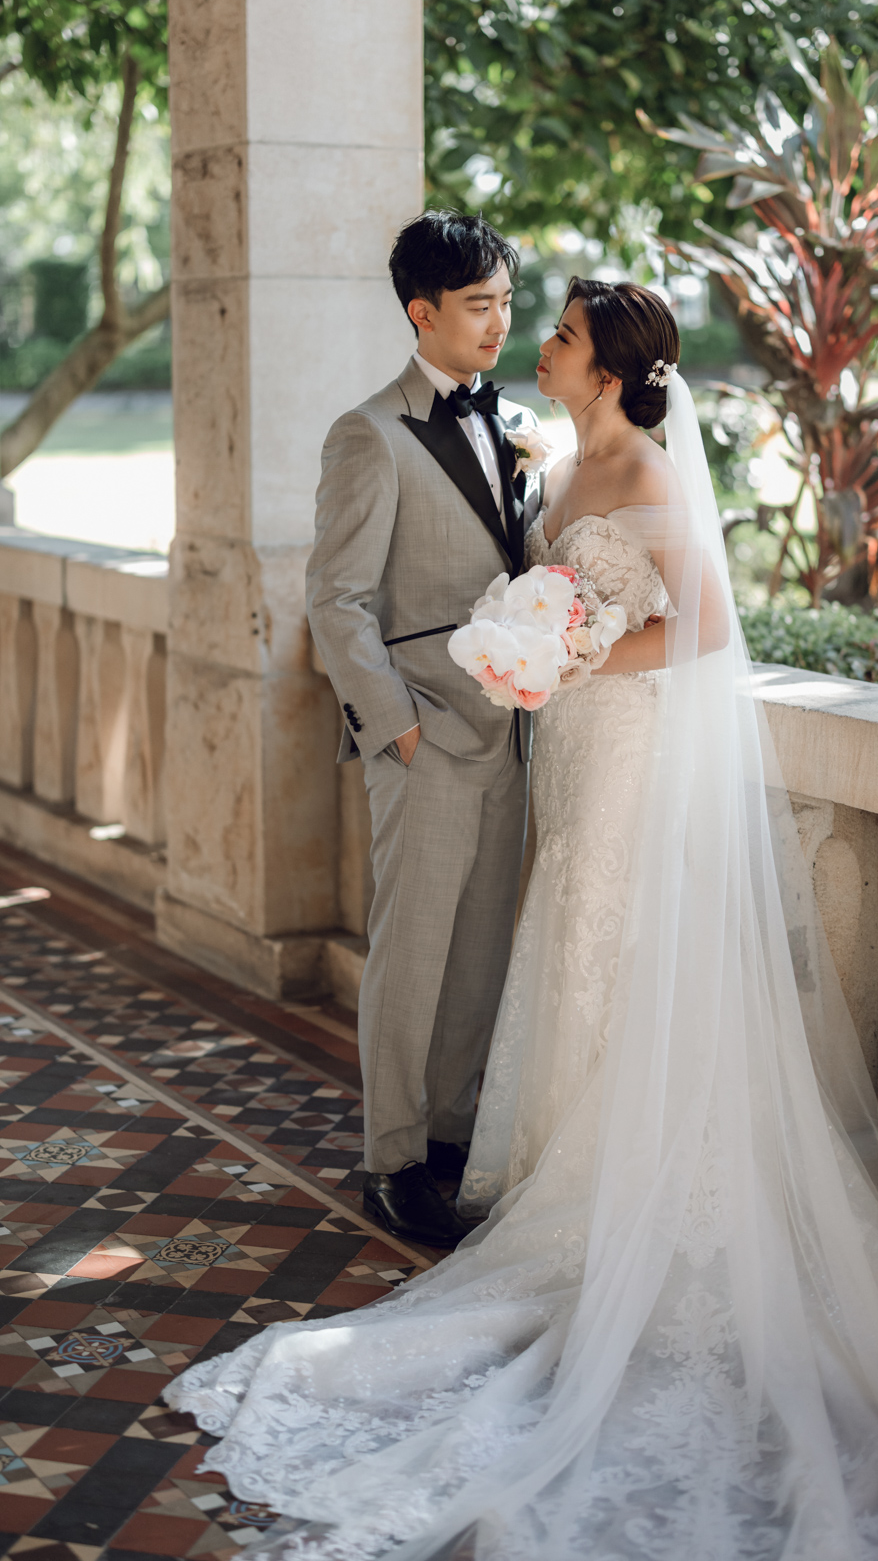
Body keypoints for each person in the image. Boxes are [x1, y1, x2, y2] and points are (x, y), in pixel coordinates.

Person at [167, 279, 878, 1561]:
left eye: (560, 334)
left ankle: (640, 1189)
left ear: (606, 370)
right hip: (571, 751)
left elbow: (702, 627)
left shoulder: (647, 471)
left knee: (614, 924)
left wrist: (568, 658)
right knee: (573, 931)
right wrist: (536, 652)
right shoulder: (555, 468)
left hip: (628, 749)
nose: (537, 342)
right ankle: (566, 1160)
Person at [302, 210, 544, 1251]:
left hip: (513, 733)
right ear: (421, 311)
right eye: (478, 305)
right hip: (425, 735)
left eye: (506, 302)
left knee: (482, 952)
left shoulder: (517, 422)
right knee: (411, 957)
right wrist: (394, 730)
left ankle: (449, 1140)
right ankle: (391, 1160)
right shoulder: (369, 433)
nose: (499, 324)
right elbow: (335, 599)